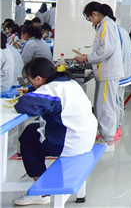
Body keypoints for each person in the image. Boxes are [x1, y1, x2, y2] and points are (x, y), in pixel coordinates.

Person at [11, 57, 97, 206]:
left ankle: (42, 192)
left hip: (71, 143)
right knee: (33, 129)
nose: (31, 84)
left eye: (31, 81)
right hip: (86, 138)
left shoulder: (52, 89)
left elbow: (23, 105)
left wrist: (30, 94)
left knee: (28, 138)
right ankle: (41, 184)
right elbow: (48, 98)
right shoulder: (69, 83)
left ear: (38, 78)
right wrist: (32, 90)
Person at [74, 2, 123, 152]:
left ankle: (108, 140)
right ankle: (106, 135)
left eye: (89, 18)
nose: (91, 21)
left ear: (94, 14)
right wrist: (88, 59)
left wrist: (87, 58)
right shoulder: (104, 25)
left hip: (108, 72)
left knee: (105, 107)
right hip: (105, 72)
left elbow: (107, 49)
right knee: (104, 105)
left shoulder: (107, 25)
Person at [116, 24, 131, 140]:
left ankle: (114, 129)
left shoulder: (114, 32)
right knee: (119, 101)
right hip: (124, 72)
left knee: (113, 103)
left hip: (117, 73)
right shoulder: (122, 31)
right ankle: (117, 127)